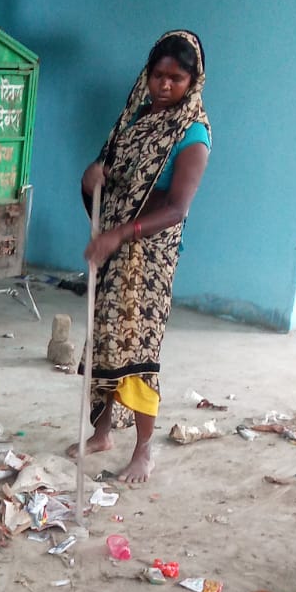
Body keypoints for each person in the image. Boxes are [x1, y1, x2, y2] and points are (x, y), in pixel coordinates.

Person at [70, 30, 211, 483]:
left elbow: (176, 209)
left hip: (147, 260)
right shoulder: (134, 119)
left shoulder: (192, 134)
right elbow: (105, 183)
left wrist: (120, 235)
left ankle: (144, 450)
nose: (165, 86)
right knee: (104, 342)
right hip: (113, 247)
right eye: (158, 75)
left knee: (137, 353)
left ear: (193, 81)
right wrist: (91, 179)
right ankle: (102, 433)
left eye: (176, 78)